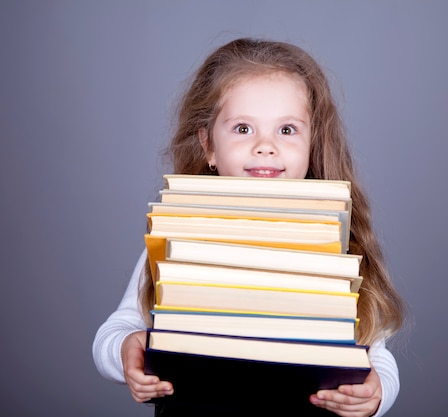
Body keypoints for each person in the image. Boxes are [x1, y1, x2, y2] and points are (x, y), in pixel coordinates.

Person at [93, 37, 407, 417]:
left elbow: (378, 354)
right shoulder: (177, 241)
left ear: (313, 144)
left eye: (287, 130)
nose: (265, 146)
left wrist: (376, 395)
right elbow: (114, 333)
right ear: (208, 144)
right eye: (243, 128)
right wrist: (128, 347)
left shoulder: (338, 246)